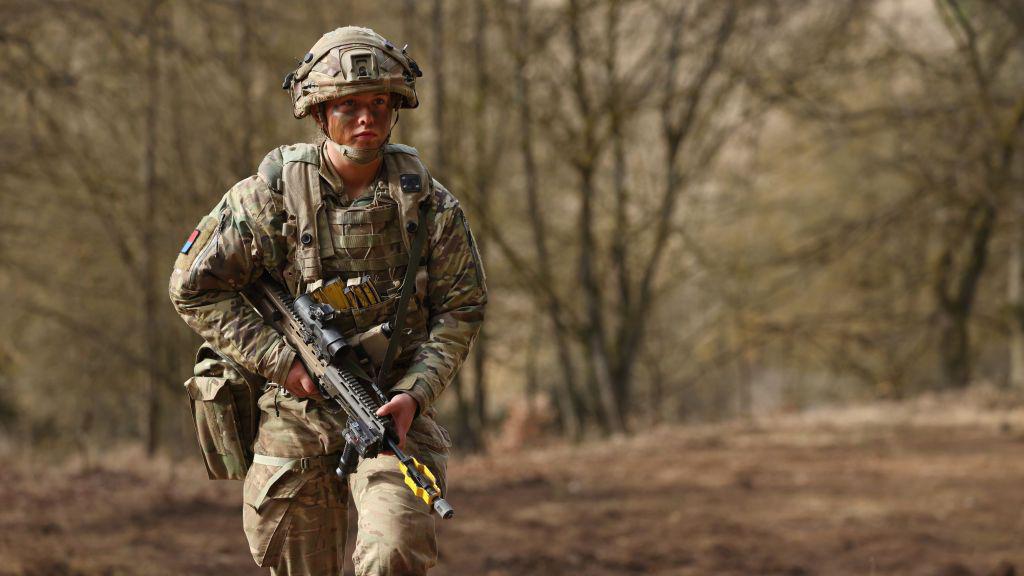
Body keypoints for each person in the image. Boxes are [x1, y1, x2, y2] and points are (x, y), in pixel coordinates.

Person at [168, 26, 487, 575]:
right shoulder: (268, 199)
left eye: (379, 104)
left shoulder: (428, 206)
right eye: (349, 107)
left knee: (392, 552)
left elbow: (463, 306)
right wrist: (282, 362)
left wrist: (415, 393)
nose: (367, 119)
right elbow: (192, 288)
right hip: (294, 413)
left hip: (390, 411)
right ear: (320, 114)